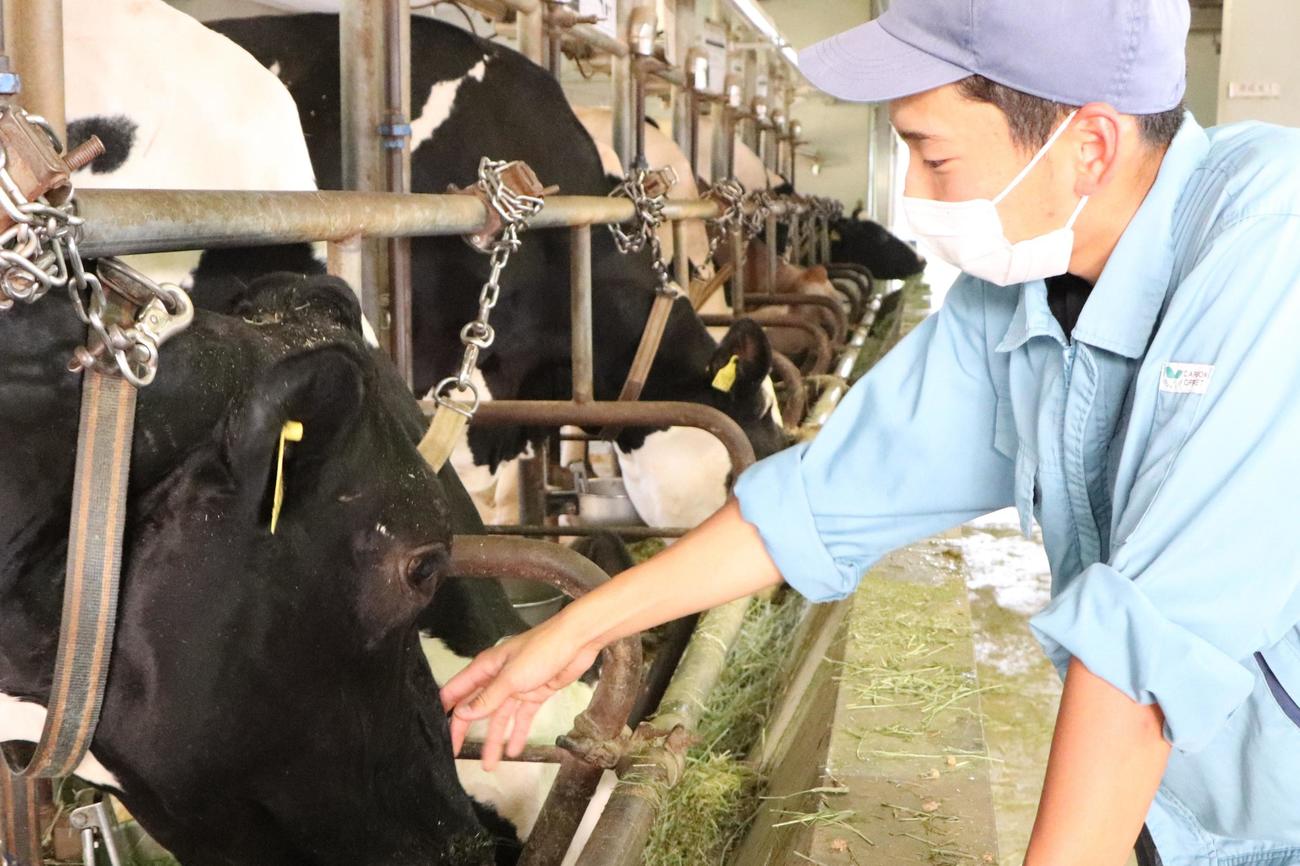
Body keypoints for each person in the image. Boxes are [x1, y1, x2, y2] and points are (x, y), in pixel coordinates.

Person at [441, 2, 1300, 864]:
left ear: (1090, 147)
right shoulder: (1031, 284)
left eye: (933, 153)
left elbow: (1145, 645)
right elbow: (831, 496)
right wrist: (575, 630)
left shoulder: (1271, 250)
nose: (917, 194)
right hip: (1188, 801)